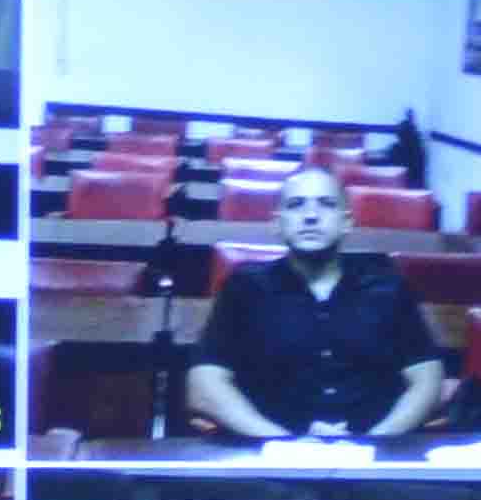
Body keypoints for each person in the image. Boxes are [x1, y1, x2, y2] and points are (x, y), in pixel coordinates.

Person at [183, 165, 445, 441]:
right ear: (277, 223)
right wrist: (284, 444)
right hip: (268, 452)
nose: (310, 216)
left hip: (376, 453)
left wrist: (374, 442)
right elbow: (204, 386)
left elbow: (427, 379)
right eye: (296, 205)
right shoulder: (244, 288)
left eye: (326, 204)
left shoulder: (389, 288)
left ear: (347, 222)